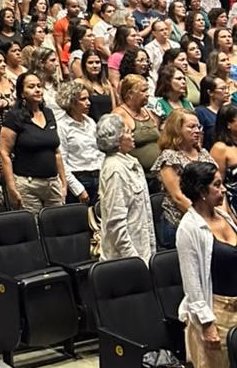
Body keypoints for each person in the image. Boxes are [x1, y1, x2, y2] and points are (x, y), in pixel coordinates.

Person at [177, 162, 237, 368]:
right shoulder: (189, 228)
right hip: (215, 311)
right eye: (216, 184)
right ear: (201, 192)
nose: (222, 188)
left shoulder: (227, 214)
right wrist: (207, 325)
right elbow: (192, 285)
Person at [0, 71, 67, 212]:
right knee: (34, 228)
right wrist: (11, 187)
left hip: (52, 182)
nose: (37, 89)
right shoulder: (14, 116)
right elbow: (4, 153)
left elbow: (57, 152)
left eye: (39, 86)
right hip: (28, 184)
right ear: (22, 93)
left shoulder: (48, 113)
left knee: (56, 228)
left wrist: (63, 183)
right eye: (31, 86)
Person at [96, 112, 156, 262]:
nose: (133, 135)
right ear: (117, 140)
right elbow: (115, 223)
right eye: (128, 132)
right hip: (124, 260)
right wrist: (134, 260)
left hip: (142, 252)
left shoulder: (130, 161)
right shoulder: (114, 169)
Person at [153, 109, 216, 247]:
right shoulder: (169, 157)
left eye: (198, 126)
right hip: (180, 222)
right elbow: (178, 197)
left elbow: (216, 187)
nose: (197, 130)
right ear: (177, 130)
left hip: (208, 217)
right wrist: (204, 220)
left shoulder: (203, 153)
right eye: (191, 127)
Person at [56, 80, 103, 205]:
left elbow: (100, 151)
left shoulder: (90, 122)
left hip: (98, 176)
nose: (88, 103)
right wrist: (78, 189)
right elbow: (62, 162)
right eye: (83, 99)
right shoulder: (62, 126)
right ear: (71, 102)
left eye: (88, 98)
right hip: (79, 178)